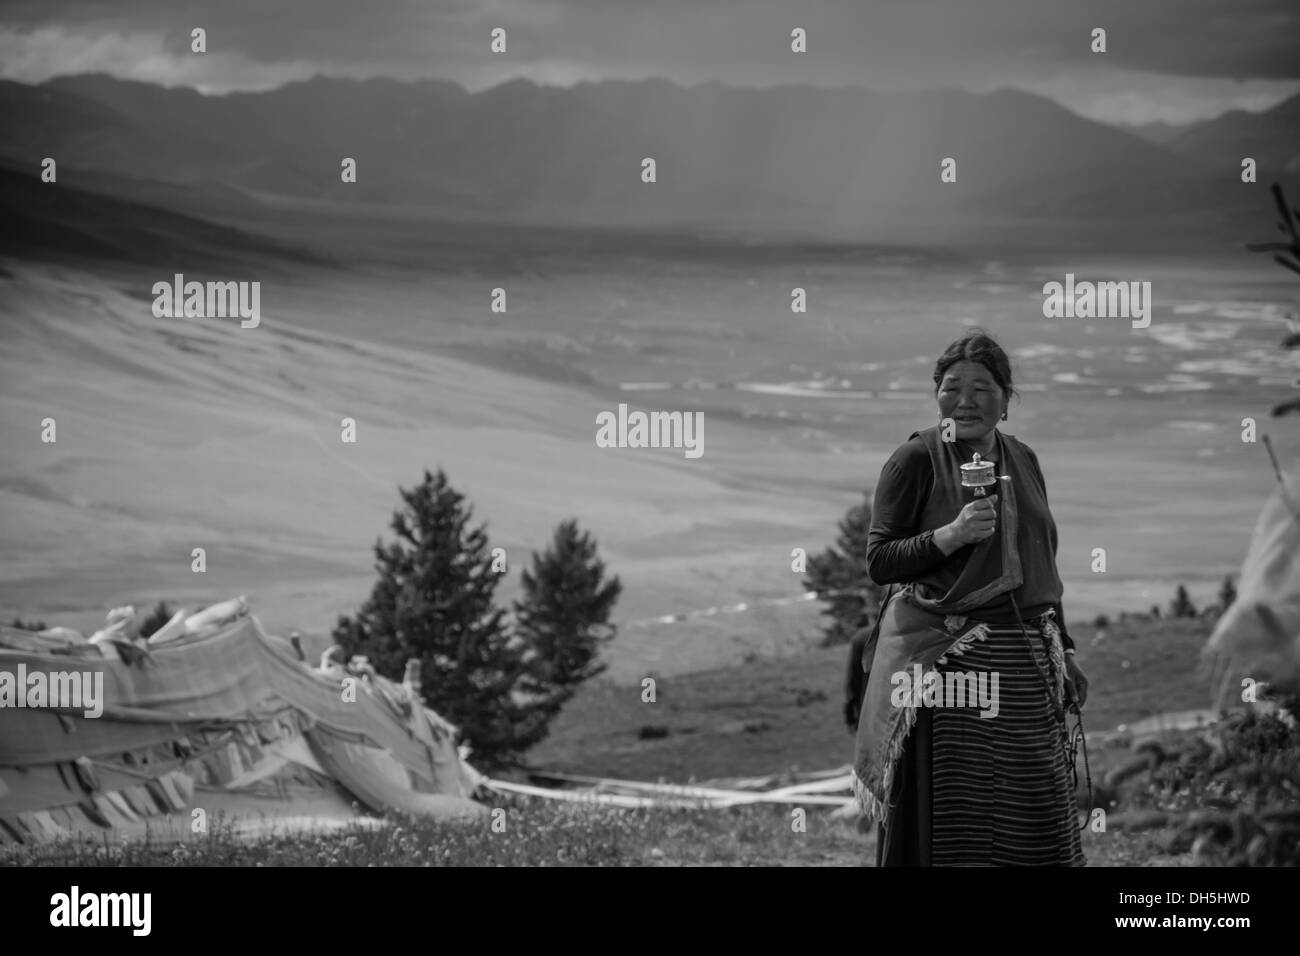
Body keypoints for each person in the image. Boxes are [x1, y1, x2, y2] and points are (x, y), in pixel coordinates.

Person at [852, 329, 1089, 866]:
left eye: (983, 389)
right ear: (936, 395)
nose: (965, 401)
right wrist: (949, 537)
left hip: (1026, 661)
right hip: (949, 665)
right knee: (959, 805)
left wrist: (1065, 651)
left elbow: (1041, 562)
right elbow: (880, 560)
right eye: (952, 387)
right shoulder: (914, 460)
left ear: (1006, 401)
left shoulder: (1024, 460)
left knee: (1036, 799)